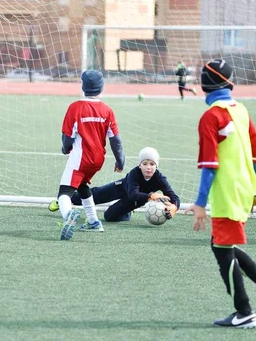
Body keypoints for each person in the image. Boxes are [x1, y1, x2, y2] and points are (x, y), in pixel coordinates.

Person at [185, 59, 256, 329]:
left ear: (205, 85)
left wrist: (199, 204)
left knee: (221, 250)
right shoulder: (240, 110)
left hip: (227, 194)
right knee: (222, 245)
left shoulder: (211, 116)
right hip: (244, 189)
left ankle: (244, 312)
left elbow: (210, 165)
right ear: (229, 83)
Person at [56, 70, 125, 241]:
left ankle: (69, 216)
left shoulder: (75, 108)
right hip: (97, 159)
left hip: (80, 158)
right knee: (82, 186)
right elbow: (115, 140)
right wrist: (120, 160)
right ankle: (94, 222)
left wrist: (65, 149)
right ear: (101, 88)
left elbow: (68, 137)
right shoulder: (107, 110)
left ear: (83, 86)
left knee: (64, 194)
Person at [49, 147, 179, 222]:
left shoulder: (160, 178)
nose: (148, 167)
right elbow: (133, 194)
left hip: (134, 200)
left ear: (156, 166)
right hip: (120, 189)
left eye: (152, 164)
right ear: (139, 165)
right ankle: (62, 200)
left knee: (109, 217)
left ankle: (127, 212)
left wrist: (174, 207)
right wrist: (151, 196)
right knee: (93, 196)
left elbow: (174, 197)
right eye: (145, 164)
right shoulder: (134, 174)